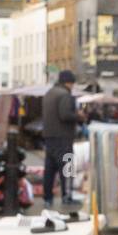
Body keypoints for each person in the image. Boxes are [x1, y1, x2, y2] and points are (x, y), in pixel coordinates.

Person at [41, 68, 79, 207]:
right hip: (63, 137)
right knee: (67, 167)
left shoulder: (49, 93)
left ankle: (47, 198)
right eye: (72, 84)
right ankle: (67, 196)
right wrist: (79, 116)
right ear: (68, 83)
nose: (73, 87)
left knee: (49, 169)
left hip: (49, 136)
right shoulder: (65, 95)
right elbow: (65, 115)